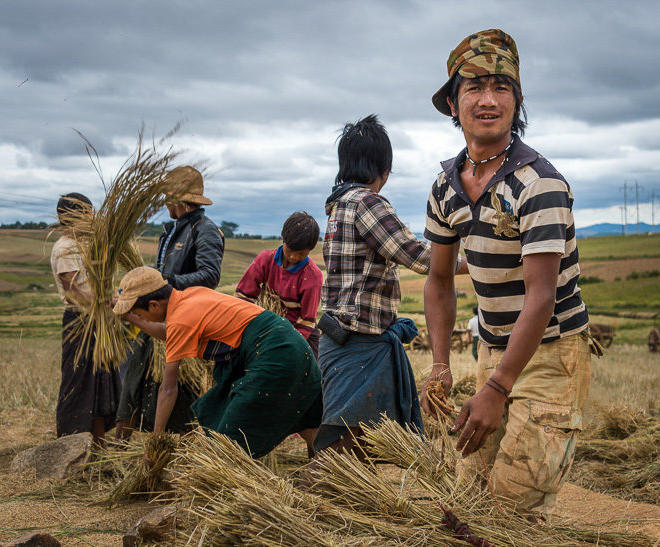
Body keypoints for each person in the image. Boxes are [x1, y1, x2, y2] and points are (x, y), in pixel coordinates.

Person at [421, 29, 598, 519]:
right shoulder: (444, 187)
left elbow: (541, 297)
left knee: (511, 509)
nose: (488, 99)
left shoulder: (538, 183)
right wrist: (440, 364)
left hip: (551, 356)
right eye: (473, 88)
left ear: (517, 101)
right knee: (467, 504)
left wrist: (496, 390)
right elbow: (438, 280)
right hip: (492, 350)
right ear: (453, 104)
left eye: (502, 87)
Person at [314, 114, 466, 459]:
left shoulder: (337, 207)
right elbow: (414, 253)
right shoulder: (367, 202)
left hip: (341, 341)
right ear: (383, 168)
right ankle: (312, 508)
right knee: (344, 451)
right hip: (358, 347)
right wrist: (471, 264)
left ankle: (339, 508)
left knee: (357, 449)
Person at [113, 267, 322, 459]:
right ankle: (326, 468)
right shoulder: (191, 295)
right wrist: (134, 319)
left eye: (143, 315)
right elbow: (168, 332)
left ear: (154, 305)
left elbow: (168, 390)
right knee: (303, 416)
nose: (144, 319)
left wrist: (155, 441)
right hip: (292, 344)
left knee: (226, 443)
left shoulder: (180, 320)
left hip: (274, 354)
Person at [115, 166, 225, 439]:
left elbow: (210, 276)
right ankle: (121, 445)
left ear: (176, 200)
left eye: (166, 197)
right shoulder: (172, 231)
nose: (164, 202)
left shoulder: (206, 230)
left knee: (180, 389)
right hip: (157, 317)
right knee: (133, 379)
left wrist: (163, 283)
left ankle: (179, 446)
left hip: (183, 319)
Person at [50, 193, 121, 446]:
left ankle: (99, 447)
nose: (92, 218)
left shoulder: (89, 244)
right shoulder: (64, 248)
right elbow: (72, 289)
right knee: (78, 382)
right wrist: (102, 301)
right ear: (71, 217)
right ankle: (70, 446)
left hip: (99, 320)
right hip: (80, 322)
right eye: (87, 214)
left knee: (102, 382)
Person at [235, 212, 323, 357]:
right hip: (263, 327)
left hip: (298, 333)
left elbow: (306, 321)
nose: (293, 257)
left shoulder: (313, 276)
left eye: (301, 253)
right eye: (290, 250)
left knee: (310, 374)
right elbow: (243, 297)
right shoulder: (265, 260)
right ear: (283, 239)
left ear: (310, 250)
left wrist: (285, 345)